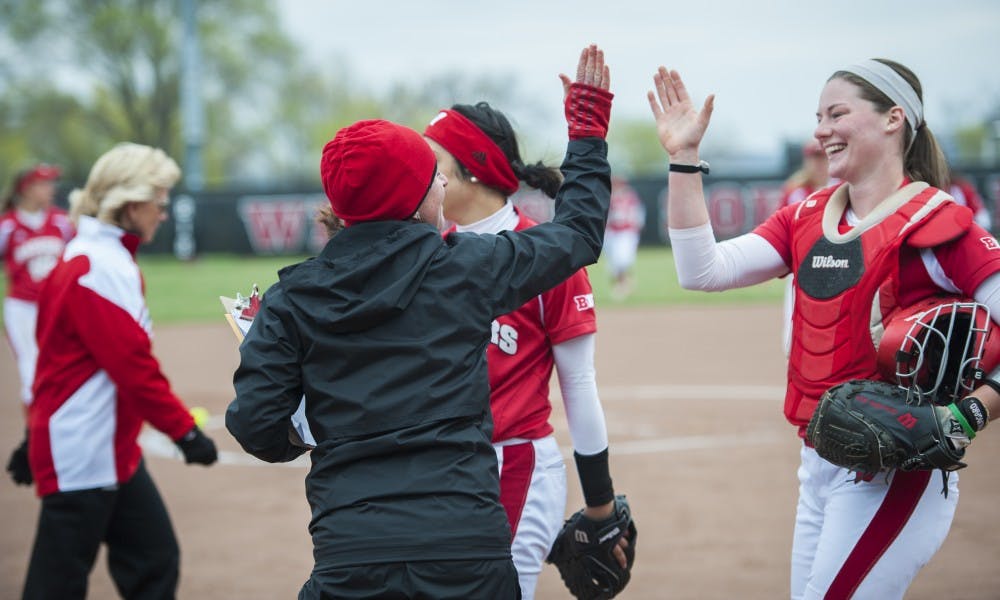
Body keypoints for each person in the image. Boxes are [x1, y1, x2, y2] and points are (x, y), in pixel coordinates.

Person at [226, 44, 613, 599]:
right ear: (410, 195)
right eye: (432, 177)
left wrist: (307, 432)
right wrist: (587, 132)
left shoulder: (292, 299)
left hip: (350, 552)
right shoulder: (467, 269)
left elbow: (253, 423)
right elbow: (579, 234)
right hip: (465, 547)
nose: (441, 186)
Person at [647, 58, 1000, 598]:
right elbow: (701, 271)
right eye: (818, 116)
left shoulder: (937, 223)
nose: (821, 130)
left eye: (838, 113)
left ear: (893, 119)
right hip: (817, 463)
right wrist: (685, 160)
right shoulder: (804, 216)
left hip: (894, 474)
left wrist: (969, 413)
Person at [422, 99, 627, 599]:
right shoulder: (425, 253)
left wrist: (600, 505)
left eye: (434, 161)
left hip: (513, 467)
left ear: (472, 170)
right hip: (441, 468)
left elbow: (579, 387)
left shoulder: (547, 256)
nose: (422, 174)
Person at [21, 142, 219, 599]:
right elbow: (134, 369)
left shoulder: (92, 256)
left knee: (154, 560)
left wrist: (31, 432)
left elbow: (54, 356)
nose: (163, 213)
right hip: (83, 452)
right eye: (159, 201)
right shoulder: (96, 265)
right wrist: (184, 433)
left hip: (110, 450)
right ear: (131, 204)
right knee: (58, 584)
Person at [1, 164, 76, 486]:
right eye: (44, 184)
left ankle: (60, 437)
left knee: (64, 369)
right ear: (26, 187)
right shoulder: (7, 225)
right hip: (22, 309)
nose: (50, 189)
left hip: (57, 307)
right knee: (32, 375)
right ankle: (35, 442)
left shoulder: (61, 221)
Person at [777, 141, 831, 355]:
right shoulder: (795, 192)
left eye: (823, 157)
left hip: (837, 266)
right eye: (814, 158)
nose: (818, 163)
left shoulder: (846, 188)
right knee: (792, 339)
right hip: (802, 269)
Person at [604, 175, 646, 299]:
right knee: (613, 264)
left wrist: (637, 227)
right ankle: (620, 284)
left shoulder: (631, 197)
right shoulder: (609, 198)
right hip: (612, 233)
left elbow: (639, 214)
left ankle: (624, 284)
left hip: (626, 232)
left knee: (623, 260)